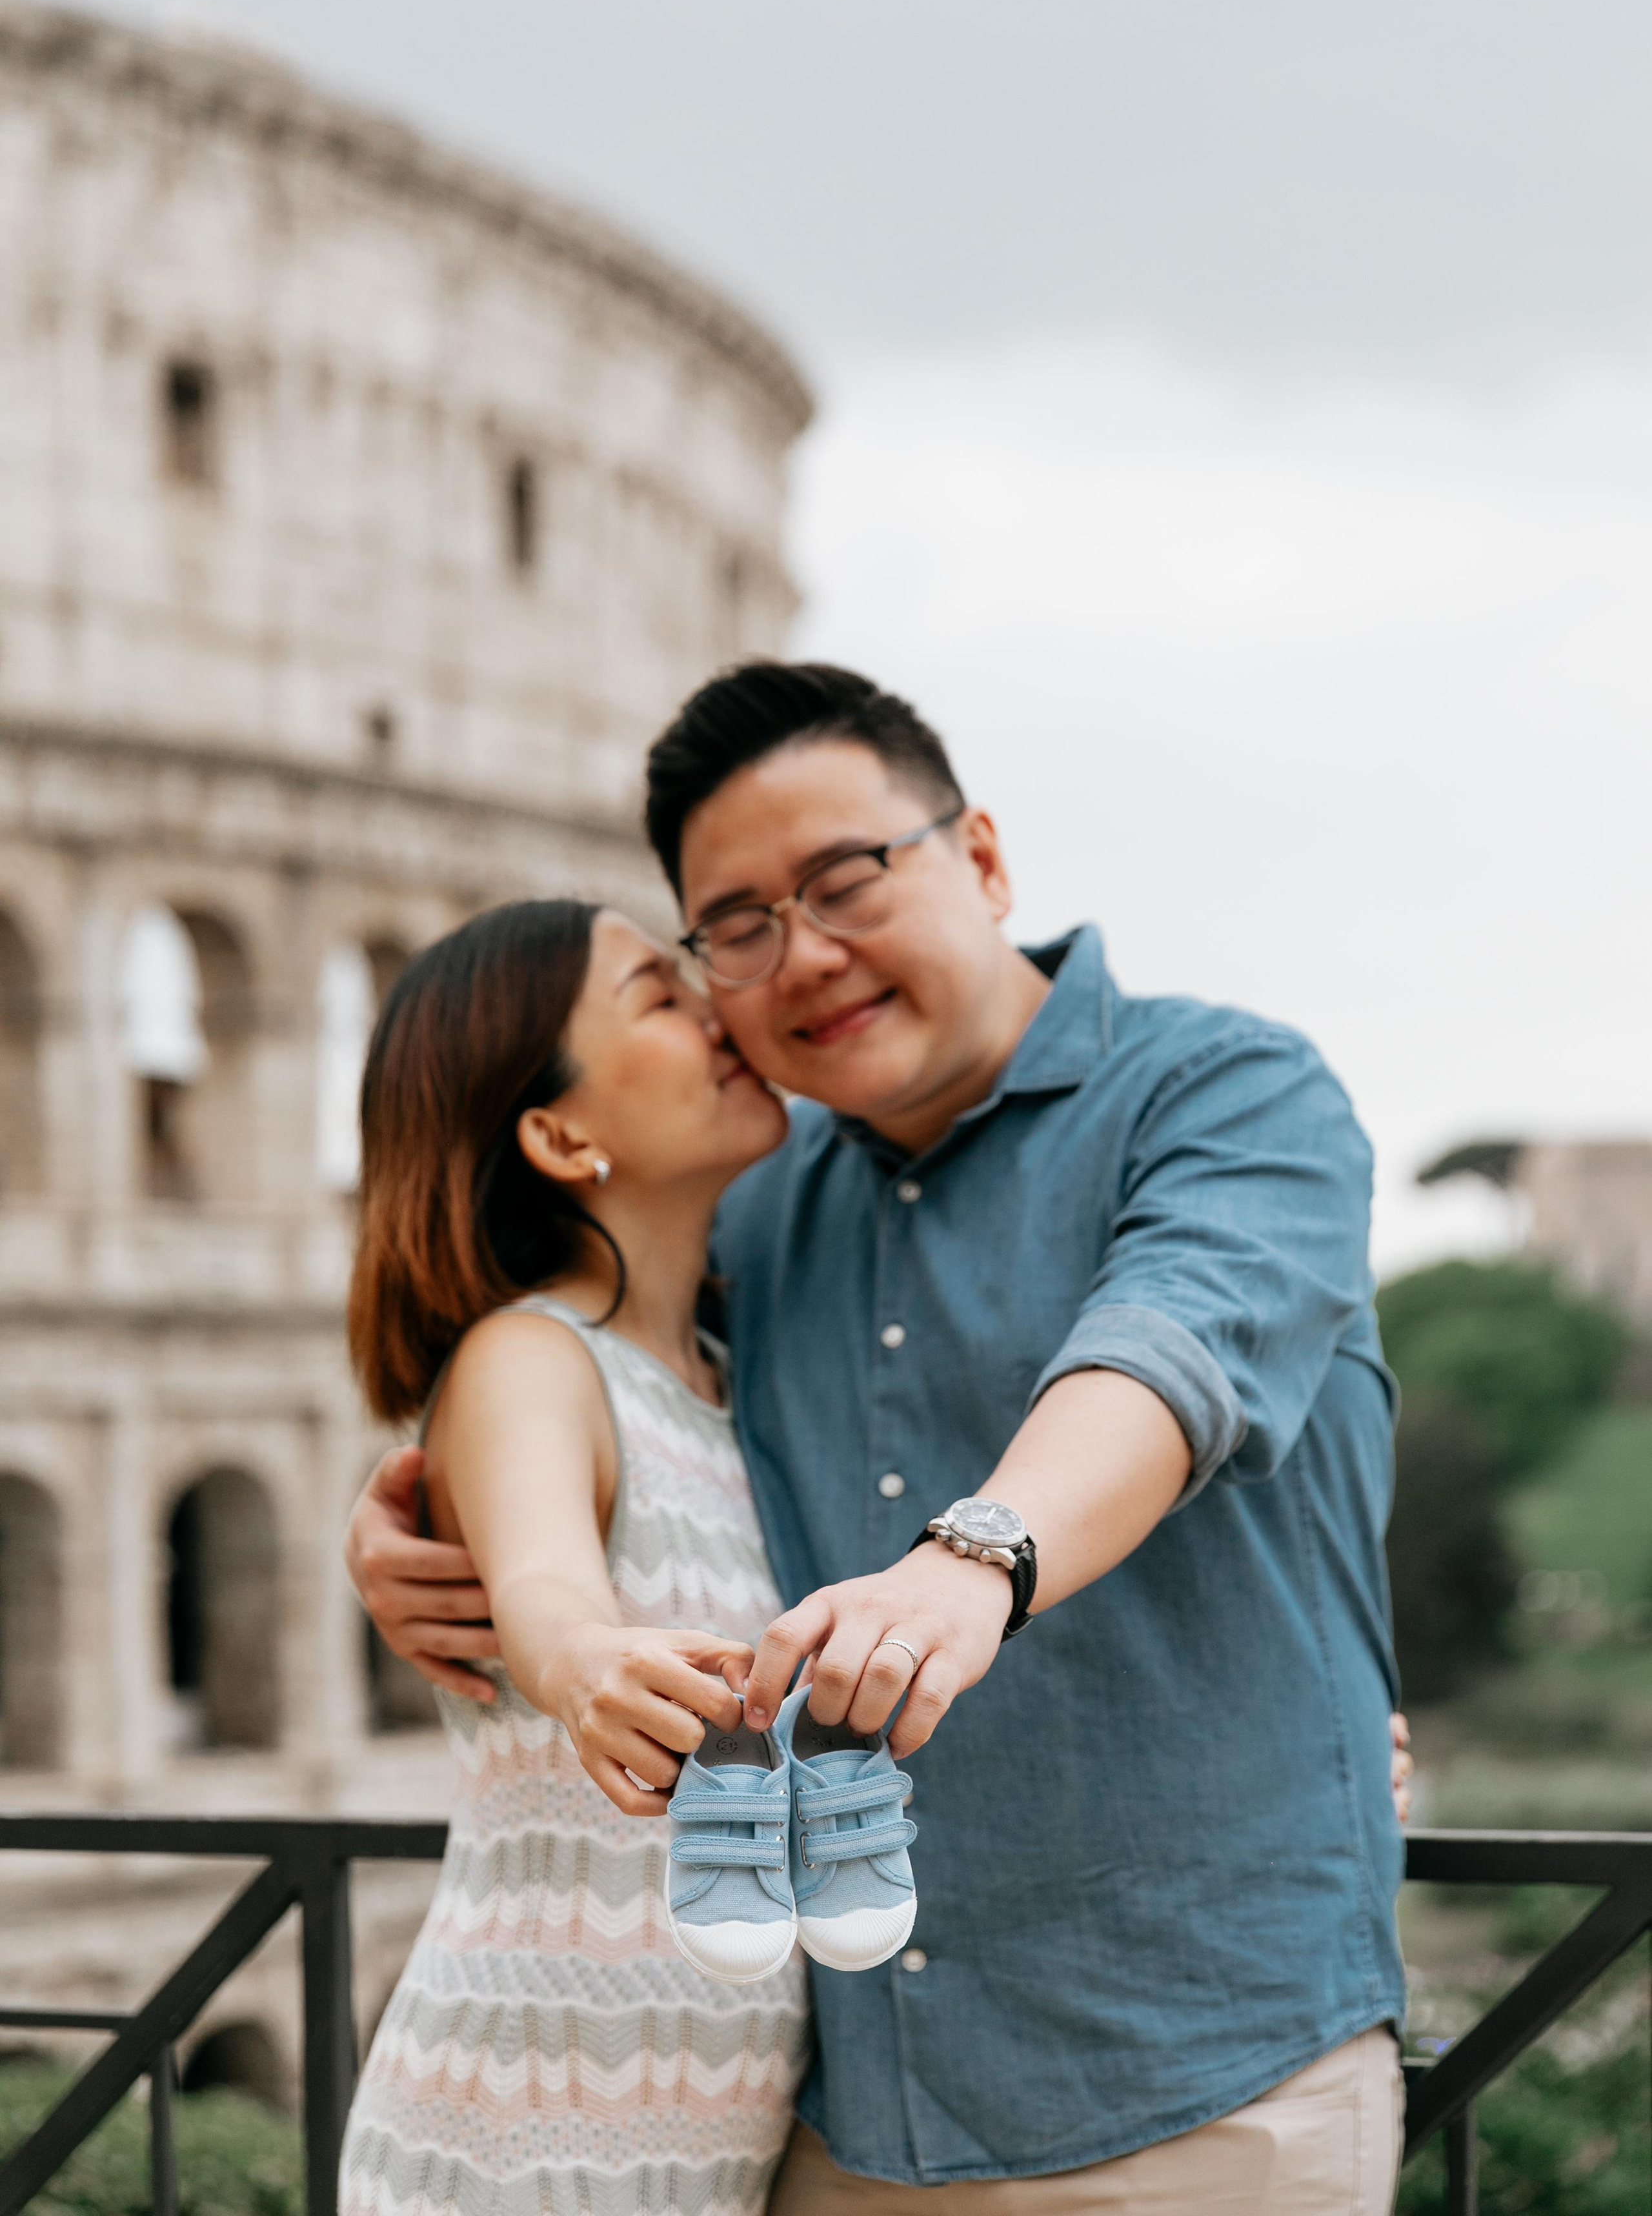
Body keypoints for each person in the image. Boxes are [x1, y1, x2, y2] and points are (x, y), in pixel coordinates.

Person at [351, 661, 1410, 2213]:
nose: (803, 957)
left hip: (1201, 2084)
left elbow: (1170, 1354)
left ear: (978, 858)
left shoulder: (1229, 1092)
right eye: (734, 928)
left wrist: (969, 1563)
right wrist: (409, 1533)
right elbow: (573, 1388)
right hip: (831, 2122)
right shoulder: (755, 1211)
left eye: (845, 880)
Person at [336, 898, 811, 2216]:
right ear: (558, 1135)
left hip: (686, 2154)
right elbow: (545, 1590)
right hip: (517, 2141)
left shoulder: (719, 1379)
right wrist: (586, 1657)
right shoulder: (528, 1358)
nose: (717, 1012)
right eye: (659, 998)